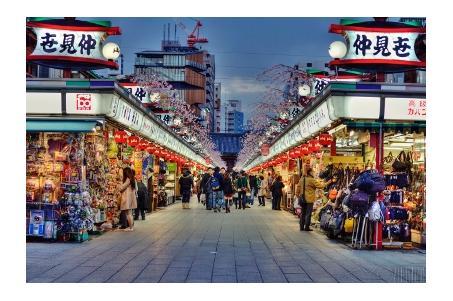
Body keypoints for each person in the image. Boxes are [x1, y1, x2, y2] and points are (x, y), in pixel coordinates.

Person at [297, 167, 332, 231]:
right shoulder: (311, 180)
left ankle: (301, 227)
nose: (313, 173)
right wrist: (328, 183)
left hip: (302, 198)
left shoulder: (302, 179)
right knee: (308, 213)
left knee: (303, 213)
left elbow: (298, 188)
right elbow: (321, 186)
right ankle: (306, 227)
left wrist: (297, 195)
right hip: (309, 199)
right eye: (312, 171)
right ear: (310, 172)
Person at [117, 167, 137, 231]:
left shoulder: (128, 179)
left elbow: (121, 188)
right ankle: (131, 227)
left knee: (128, 214)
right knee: (129, 213)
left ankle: (131, 228)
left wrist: (119, 184)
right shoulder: (132, 179)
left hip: (127, 199)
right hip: (130, 198)